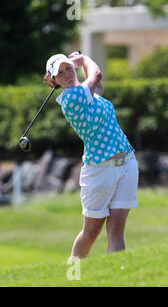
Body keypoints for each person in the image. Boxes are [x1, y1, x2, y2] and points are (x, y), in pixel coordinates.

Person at [44, 52, 139, 259]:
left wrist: (80, 63)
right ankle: (73, 275)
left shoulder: (87, 93)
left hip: (127, 164)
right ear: (54, 81)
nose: (67, 74)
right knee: (91, 232)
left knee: (116, 229)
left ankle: (118, 276)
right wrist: (84, 59)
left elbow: (98, 86)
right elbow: (96, 75)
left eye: (68, 68)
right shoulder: (70, 98)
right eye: (59, 73)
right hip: (99, 170)